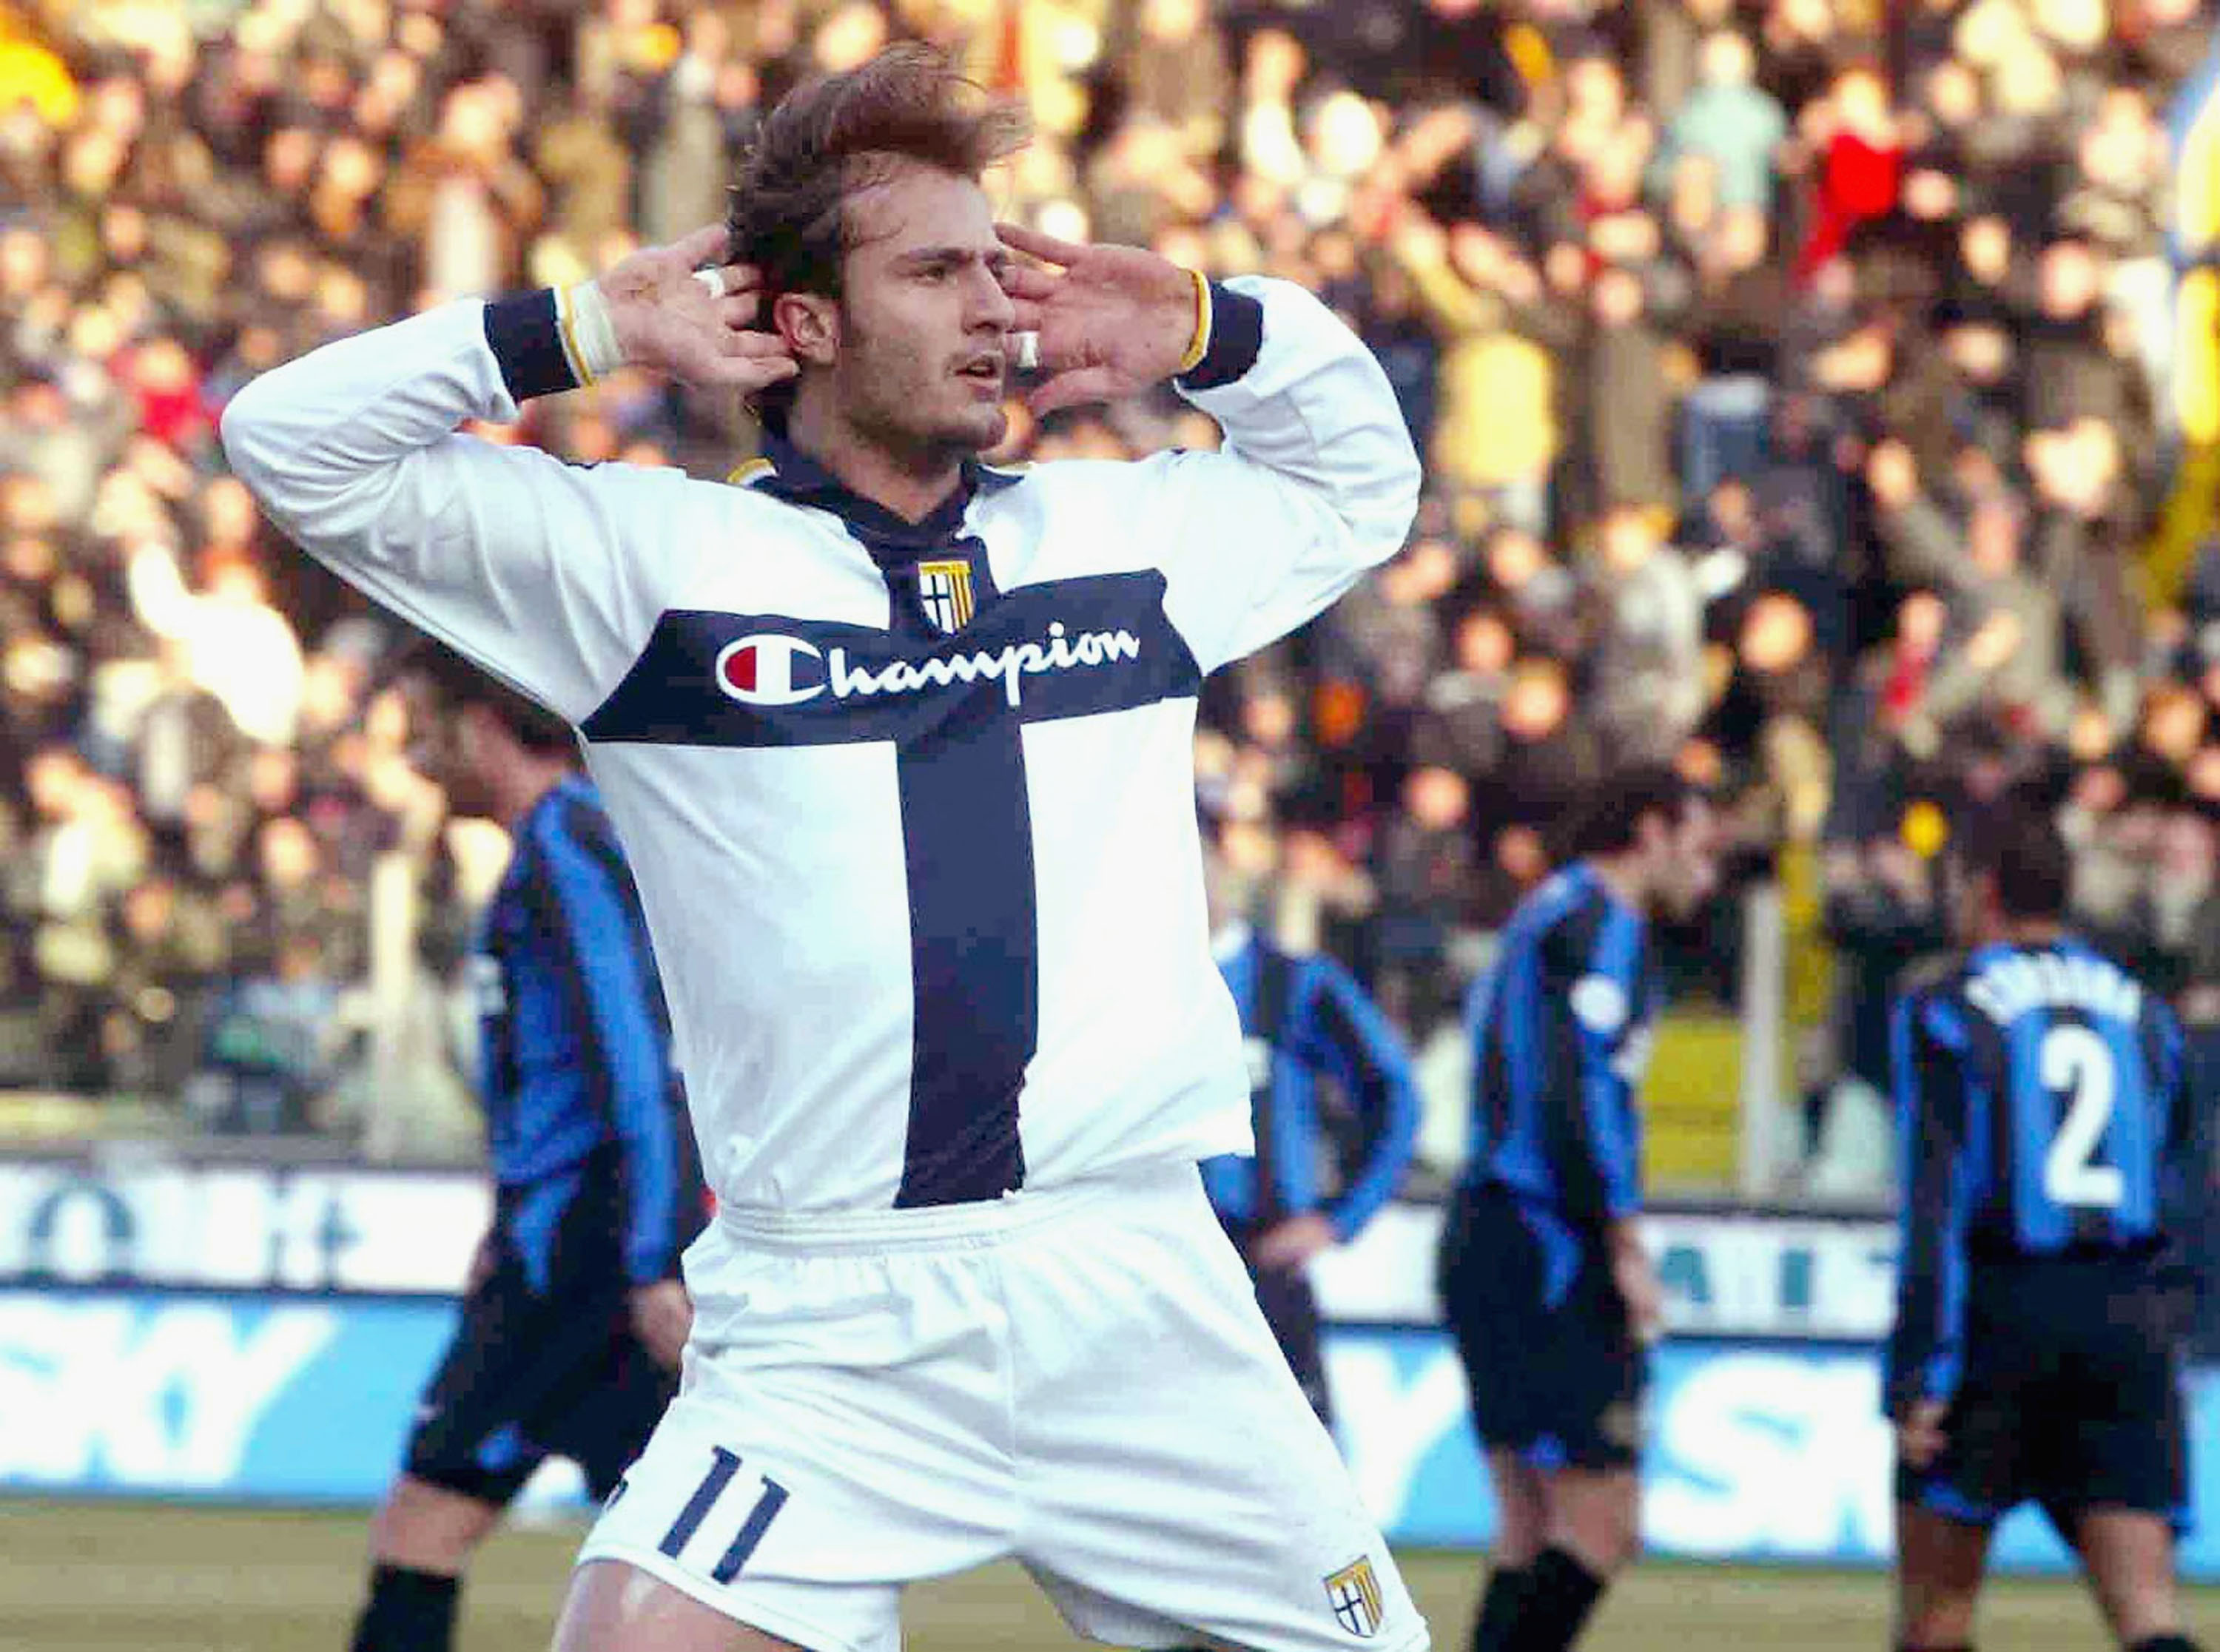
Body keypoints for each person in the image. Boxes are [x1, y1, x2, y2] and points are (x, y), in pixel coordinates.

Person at [223, 44, 1427, 1652]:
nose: (995, 306)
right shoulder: (654, 569)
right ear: (802, 323)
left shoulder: (1128, 541)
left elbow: (1363, 480)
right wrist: (583, 329)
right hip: (831, 1319)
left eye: (996, 264)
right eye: (935, 272)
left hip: (1137, 1288)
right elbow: (289, 440)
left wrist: (1213, 326)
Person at [349, 641, 703, 1652]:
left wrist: (651, 1255)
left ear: (481, 726)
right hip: (571, 1240)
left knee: (425, 1520)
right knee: (677, 1553)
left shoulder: (567, 845)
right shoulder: (570, 837)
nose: (418, 757)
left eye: (428, 730)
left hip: (577, 1256)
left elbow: (635, 1059)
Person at [1887, 803, 2203, 1652]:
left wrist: (1918, 1370)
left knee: (1937, 1616)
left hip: (2003, 1311)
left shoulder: (1946, 1004)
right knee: (2149, 1613)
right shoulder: (2146, 1011)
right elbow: (2177, 1177)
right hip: (2125, 1319)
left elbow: (1934, 1199)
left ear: (1981, 889)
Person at [1436, 766, 1720, 1652]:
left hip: (1490, 1229)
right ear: (1651, 831)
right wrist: (1624, 1242)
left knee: (1529, 1524)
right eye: (1699, 848)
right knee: (1604, 1523)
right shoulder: (1603, 922)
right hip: (1546, 1239)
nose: (1708, 874)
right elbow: (1581, 1091)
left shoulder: (1548, 911)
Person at [1202, 835, 1421, 1429]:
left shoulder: (1293, 982)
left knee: (1292, 1464)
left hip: (1264, 1266)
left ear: (1223, 867)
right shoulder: (1120, 986)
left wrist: (1337, 1217)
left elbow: (1394, 1096)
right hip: (1149, 1279)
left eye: (1195, 854)